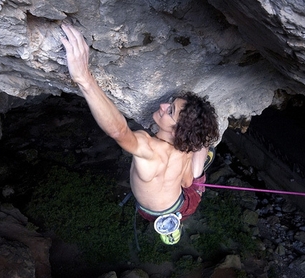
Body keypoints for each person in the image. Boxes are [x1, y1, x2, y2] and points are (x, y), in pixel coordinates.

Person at [60, 24, 219, 245]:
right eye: (171, 103)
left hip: (156, 212)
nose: (163, 105)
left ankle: (200, 161)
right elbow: (185, 182)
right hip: (182, 203)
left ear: (177, 130)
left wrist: (84, 79)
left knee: (194, 176)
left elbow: (118, 131)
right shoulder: (184, 147)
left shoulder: (150, 148)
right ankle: (202, 154)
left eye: (169, 111)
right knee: (194, 175)